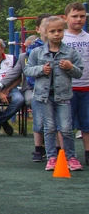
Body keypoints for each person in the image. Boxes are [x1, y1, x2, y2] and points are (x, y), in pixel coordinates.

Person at [0, 14, 53, 161]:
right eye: (46, 25)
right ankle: (40, 147)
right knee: (31, 99)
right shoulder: (28, 54)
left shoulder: (63, 49)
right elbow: (15, 73)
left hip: (57, 89)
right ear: (38, 29)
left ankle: (61, 150)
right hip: (34, 88)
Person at [24, 15, 84, 171]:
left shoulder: (70, 52)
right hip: (44, 97)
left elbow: (79, 72)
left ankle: (71, 157)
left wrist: (70, 67)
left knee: (66, 128)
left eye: (59, 31)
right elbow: (27, 70)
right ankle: (51, 157)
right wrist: (41, 70)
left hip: (63, 96)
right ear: (46, 33)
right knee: (49, 127)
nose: (56, 34)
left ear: (63, 31)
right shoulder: (37, 52)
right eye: (52, 31)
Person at [62, 2, 89, 166]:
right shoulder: (62, 38)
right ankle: (65, 154)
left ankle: (87, 152)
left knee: (87, 123)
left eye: (82, 16)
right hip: (67, 88)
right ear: (66, 18)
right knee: (66, 125)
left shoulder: (88, 38)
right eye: (74, 16)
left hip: (86, 87)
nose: (78, 19)